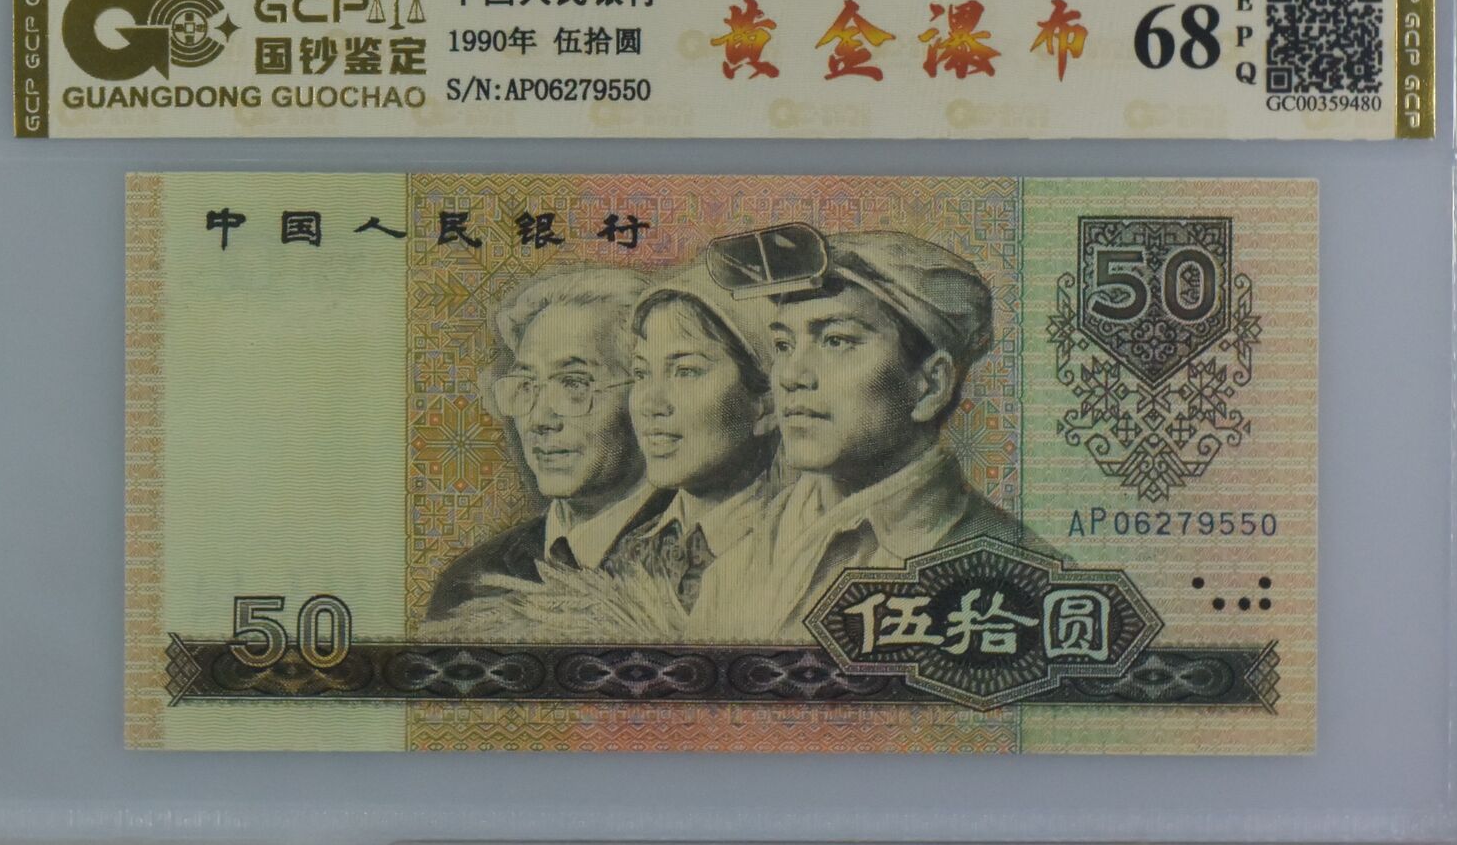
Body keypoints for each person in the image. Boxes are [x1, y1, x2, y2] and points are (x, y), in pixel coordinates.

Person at [701, 229, 1017, 642]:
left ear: (930, 385)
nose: (792, 375)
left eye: (836, 341)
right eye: (783, 345)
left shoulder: (1006, 574)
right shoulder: (738, 565)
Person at [424, 267, 671, 622]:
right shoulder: (471, 582)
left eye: (574, 384)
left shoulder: (704, 562)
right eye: (525, 385)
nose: (539, 420)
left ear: (645, 393)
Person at [607, 263, 781, 616]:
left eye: (686, 371)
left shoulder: (793, 551)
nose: (650, 404)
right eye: (641, 373)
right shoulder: (628, 553)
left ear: (765, 405)